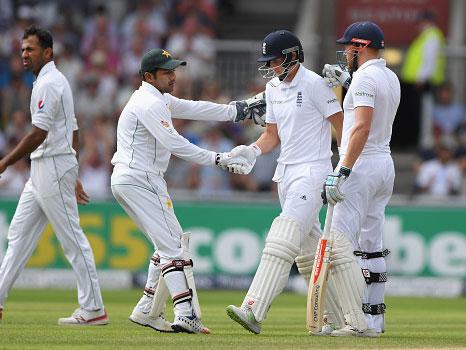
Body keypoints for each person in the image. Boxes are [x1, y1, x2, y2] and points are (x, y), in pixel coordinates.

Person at [110, 48, 264, 334]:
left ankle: (147, 309)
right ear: (148, 76)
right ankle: (186, 314)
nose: (173, 76)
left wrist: (236, 110)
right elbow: (175, 143)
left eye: (174, 71)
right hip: (141, 178)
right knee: (174, 248)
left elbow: (194, 107)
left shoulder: (157, 98)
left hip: (131, 179)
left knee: (165, 244)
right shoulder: (148, 103)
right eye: (167, 72)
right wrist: (217, 158)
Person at [224, 29, 345, 335]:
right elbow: (272, 135)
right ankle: (336, 318)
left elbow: (342, 127)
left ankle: (254, 308)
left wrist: (344, 169)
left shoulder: (316, 84)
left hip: (314, 171)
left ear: (292, 56)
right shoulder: (273, 87)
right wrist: (251, 151)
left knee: (282, 237)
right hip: (286, 174)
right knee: (307, 252)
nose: (272, 67)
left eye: (275, 60)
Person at [0, 25, 108, 325]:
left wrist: (5, 162)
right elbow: (73, 129)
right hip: (46, 169)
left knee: (72, 239)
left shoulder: (49, 83)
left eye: (30, 49)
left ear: (47, 52)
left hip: (50, 164)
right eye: (22, 49)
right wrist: (71, 171)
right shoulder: (51, 81)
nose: (24, 55)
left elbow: (38, 133)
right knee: (18, 237)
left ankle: (94, 309)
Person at [321, 21, 400, 336]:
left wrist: (343, 169)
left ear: (361, 46)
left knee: (341, 244)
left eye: (347, 47)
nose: (344, 52)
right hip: (384, 164)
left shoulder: (365, 79)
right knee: (371, 246)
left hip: (362, 164)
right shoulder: (388, 75)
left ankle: (350, 319)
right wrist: (349, 81)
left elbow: (362, 127)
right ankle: (372, 321)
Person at [395, 10, 446, 147]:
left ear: (427, 22)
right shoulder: (427, 36)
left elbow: (429, 60)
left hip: (424, 83)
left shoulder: (431, 37)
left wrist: (422, 78)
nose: (418, 26)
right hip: (421, 82)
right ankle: (423, 141)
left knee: (425, 114)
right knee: (423, 114)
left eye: (420, 22)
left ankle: (426, 143)